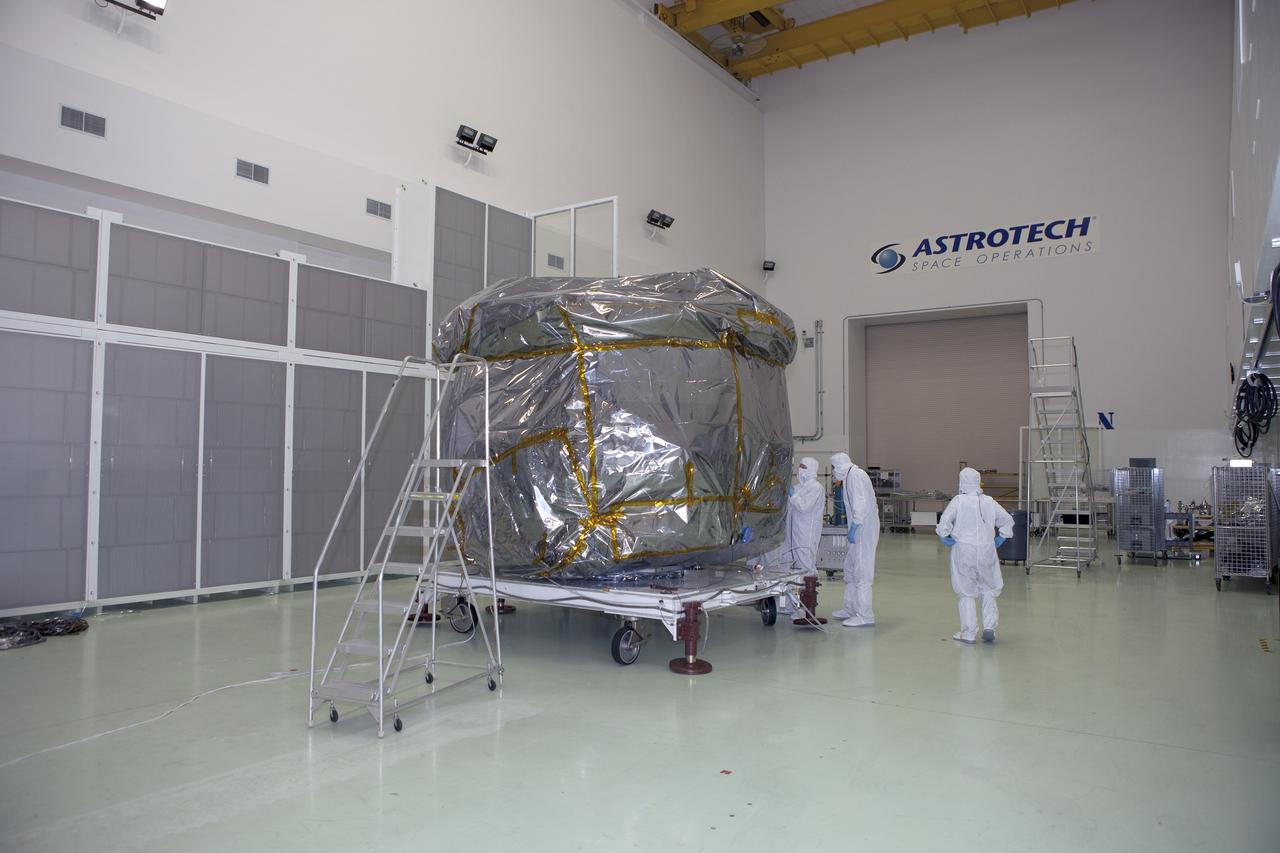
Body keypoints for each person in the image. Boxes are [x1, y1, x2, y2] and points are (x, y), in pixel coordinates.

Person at [936, 467, 1014, 644]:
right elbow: (1007, 520)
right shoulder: (989, 501)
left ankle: (969, 632)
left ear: (962, 482)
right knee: (988, 588)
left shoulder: (959, 501)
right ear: (979, 481)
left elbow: (945, 521)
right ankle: (990, 627)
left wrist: (943, 535)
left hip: (964, 550)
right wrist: (1002, 536)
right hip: (987, 550)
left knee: (966, 592)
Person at [765, 457, 825, 614]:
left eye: (804, 466)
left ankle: (806, 608)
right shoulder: (798, 487)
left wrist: (791, 493)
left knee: (805, 568)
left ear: (812, 469)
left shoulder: (816, 488)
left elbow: (803, 506)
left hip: (806, 534)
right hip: (791, 534)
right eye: (800, 466)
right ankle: (791, 605)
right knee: (789, 569)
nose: (800, 469)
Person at [830, 452, 879, 627]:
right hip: (857, 529)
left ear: (840, 466)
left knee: (862, 573)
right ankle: (850, 608)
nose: (834, 472)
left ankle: (865, 615)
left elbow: (861, 503)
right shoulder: (849, 477)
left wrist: (856, 526)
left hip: (863, 530)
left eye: (834, 468)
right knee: (850, 569)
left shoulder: (856, 476)